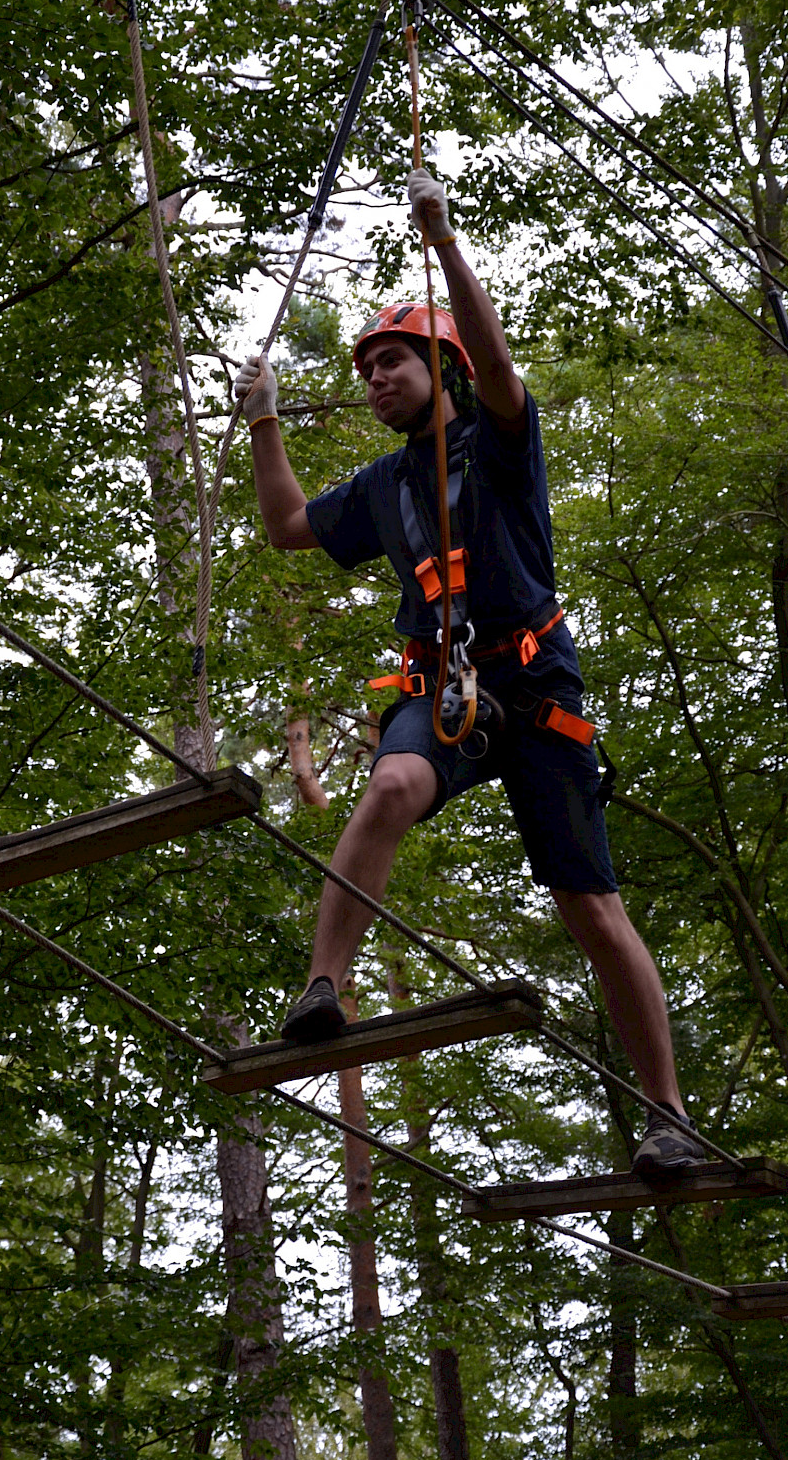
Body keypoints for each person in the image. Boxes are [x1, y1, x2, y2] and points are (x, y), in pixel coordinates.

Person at [233, 169, 704, 1178]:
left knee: (589, 907)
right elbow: (283, 527)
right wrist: (265, 419)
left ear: (439, 368)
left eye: (393, 362)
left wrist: (443, 241)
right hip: (443, 688)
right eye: (365, 371)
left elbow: (497, 363)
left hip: (535, 692)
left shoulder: (498, 444)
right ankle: (325, 986)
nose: (374, 380)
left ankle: (668, 1116)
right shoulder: (382, 486)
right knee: (394, 782)